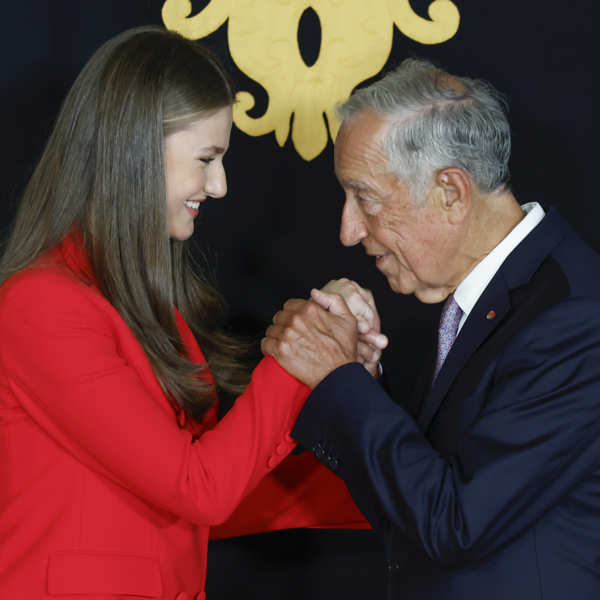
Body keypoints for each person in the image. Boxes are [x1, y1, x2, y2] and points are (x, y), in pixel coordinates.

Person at [0, 26, 370, 600]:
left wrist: (330, 378)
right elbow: (201, 490)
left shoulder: (142, 305)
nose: (219, 185)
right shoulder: (41, 305)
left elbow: (207, 492)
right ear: (136, 150)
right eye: (207, 158)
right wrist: (298, 357)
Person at [262, 58, 600, 599]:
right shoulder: (495, 300)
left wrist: (339, 378)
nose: (348, 231)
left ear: (451, 192)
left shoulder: (577, 319)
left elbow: (454, 526)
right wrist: (362, 381)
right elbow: (415, 509)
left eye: (364, 198)